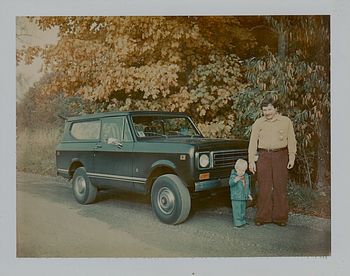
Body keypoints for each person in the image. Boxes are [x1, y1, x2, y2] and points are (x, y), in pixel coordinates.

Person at [248, 96, 297, 227]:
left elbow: (292, 140)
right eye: (264, 110)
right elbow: (253, 142)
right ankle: (262, 217)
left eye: (269, 109)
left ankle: (280, 217)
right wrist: (251, 161)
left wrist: (291, 156)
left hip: (281, 155)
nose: (267, 113)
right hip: (264, 155)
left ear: (276, 109)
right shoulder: (258, 123)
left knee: (280, 187)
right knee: (264, 187)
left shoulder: (286, 121)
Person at [229, 158, 252, 228]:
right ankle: (238, 222)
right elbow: (230, 183)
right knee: (237, 210)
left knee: (242, 209)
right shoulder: (233, 175)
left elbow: (247, 186)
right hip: (236, 197)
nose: (242, 172)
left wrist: (248, 194)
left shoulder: (246, 176)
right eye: (240, 170)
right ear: (236, 168)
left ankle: (242, 220)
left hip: (243, 196)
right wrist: (235, 180)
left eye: (243, 170)